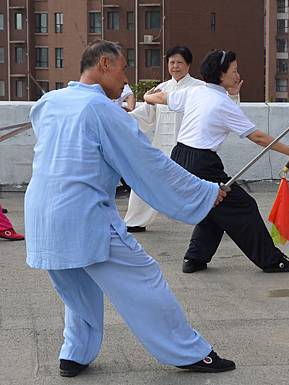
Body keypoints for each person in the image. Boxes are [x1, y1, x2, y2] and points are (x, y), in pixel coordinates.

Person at [25, 40, 235, 378]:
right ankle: (189, 352)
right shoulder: (102, 111)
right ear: (105, 64)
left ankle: (74, 354)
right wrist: (205, 192)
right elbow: (149, 164)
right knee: (143, 278)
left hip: (41, 215)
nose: (126, 80)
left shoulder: (49, 102)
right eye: (123, 69)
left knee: (77, 286)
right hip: (85, 214)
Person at [144, 50, 289, 274]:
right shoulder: (222, 103)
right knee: (243, 205)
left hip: (180, 156)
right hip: (202, 162)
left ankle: (195, 258)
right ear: (221, 75)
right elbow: (257, 136)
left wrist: (145, 97)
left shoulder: (196, 92)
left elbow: (160, 97)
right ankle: (271, 260)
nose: (237, 75)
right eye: (234, 71)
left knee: (214, 205)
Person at [124, 46, 240, 233]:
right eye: (172, 62)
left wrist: (234, 96)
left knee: (208, 190)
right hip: (161, 149)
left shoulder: (199, 88)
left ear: (188, 65)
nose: (175, 66)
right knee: (144, 180)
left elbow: (225, 108)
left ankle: (220, 222)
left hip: (189, 150)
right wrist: (119, 120)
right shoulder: (161, 89)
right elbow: (145, 115)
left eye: (179, 62)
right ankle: (135, 222)